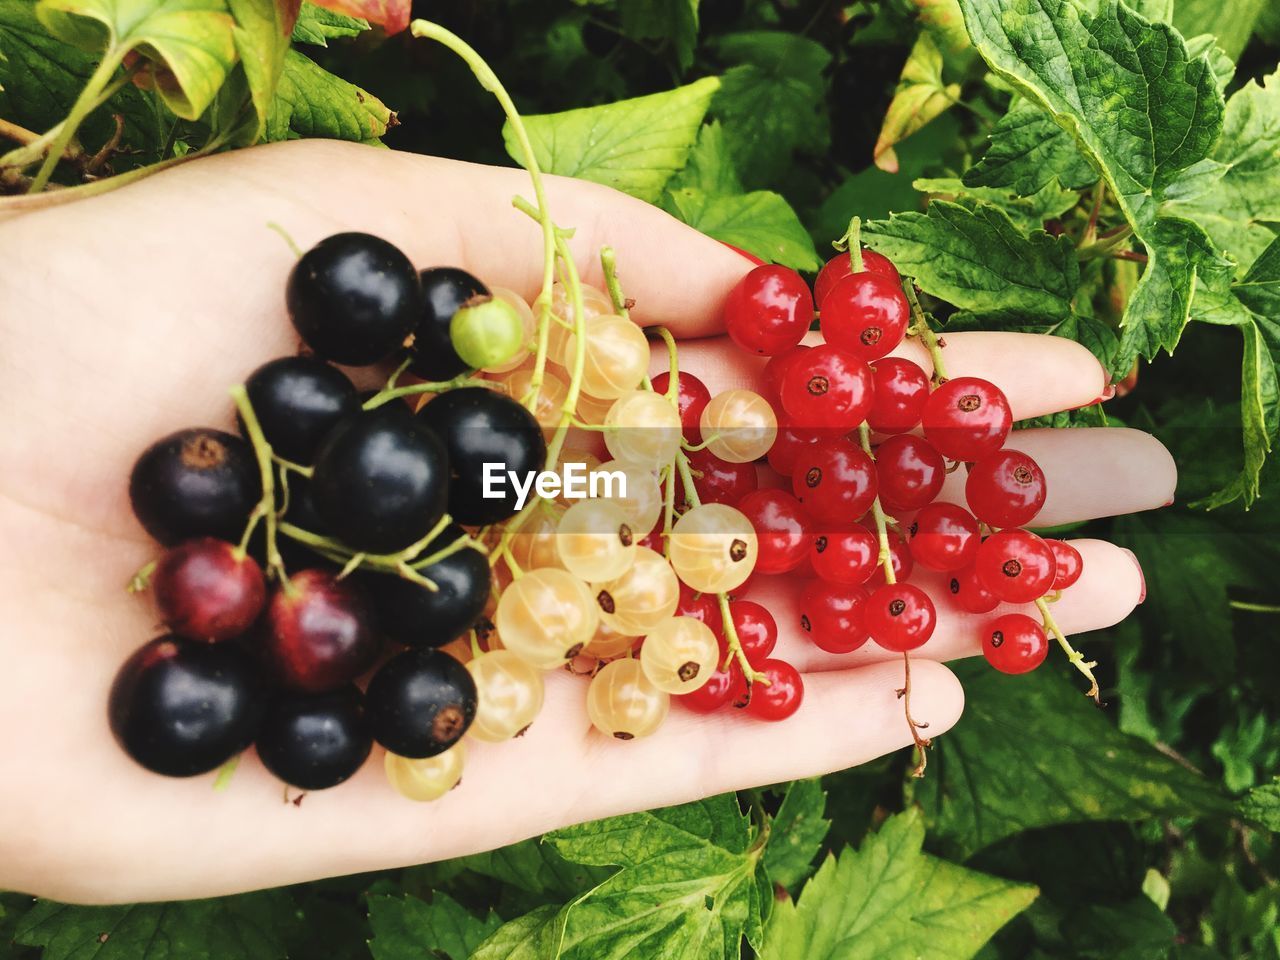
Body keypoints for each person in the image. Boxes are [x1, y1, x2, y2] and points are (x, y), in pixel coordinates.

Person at [0, 139, 1167, 904]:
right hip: (544, 502)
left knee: (598, 494)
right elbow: (519, 491)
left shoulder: (438, 501)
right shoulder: (373, 489)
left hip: (563, 502)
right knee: (586, 493)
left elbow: (541, 491)